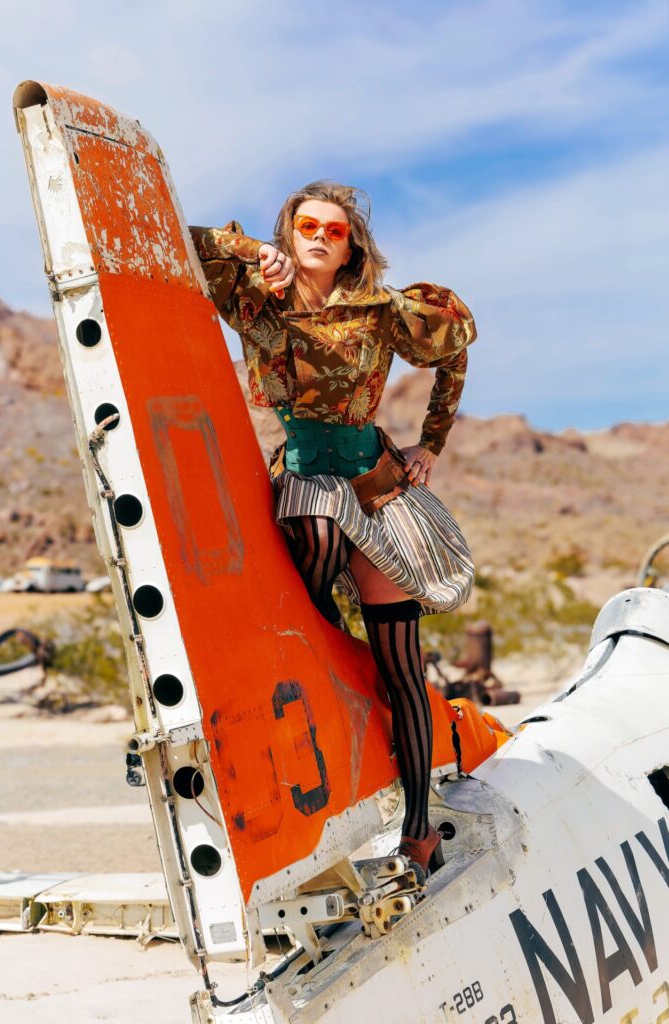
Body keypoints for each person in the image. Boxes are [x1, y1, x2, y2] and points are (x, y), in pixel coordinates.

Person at [190, 181, 476, 878]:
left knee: (403, 667)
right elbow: (186, 239)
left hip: (375, 486)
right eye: (305, 226)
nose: (319, 237)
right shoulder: (253, 295)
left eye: (335, 231)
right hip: (305, 476)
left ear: (351, 250)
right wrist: (257, 250)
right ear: (288, 234)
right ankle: (322, 650)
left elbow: (456, 344)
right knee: (313, 526)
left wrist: (430, 442)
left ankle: (417, 832)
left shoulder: (379, 312)